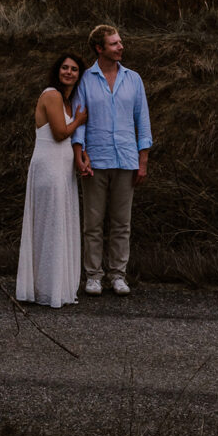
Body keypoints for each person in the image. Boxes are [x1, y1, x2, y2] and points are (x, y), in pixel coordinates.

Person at [72, 25, 152, 296]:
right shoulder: (85, 79)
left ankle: (118, 275)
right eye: (115, 43)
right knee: (93, 223)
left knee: (121, 223)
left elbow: (143, 121)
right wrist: (80, 154)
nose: (121, 47)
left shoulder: (134, 79)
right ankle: (93, 275)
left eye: (120, 42)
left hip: (126, 159)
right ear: (99, 48)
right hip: (96, 160)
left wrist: (143, 160)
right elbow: (79, 120)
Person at [16, 53, 88, 308]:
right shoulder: (52, 95)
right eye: (65, 68)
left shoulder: (67, 101)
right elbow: (59, 134)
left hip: (62, 169)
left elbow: (68, 139)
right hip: (49, 167)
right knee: (50, 225)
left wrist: (82, 156)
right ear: (57, 71)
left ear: (79, 75)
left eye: (74, 69)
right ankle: (45, 288)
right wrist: (80, 120)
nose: (69, 72)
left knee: (59, 224)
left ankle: (55, 285)